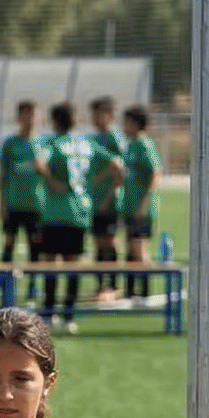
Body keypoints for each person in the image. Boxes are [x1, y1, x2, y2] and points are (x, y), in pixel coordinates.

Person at [34, 101, 96, 332]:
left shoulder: (53, 143)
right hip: (80, 209)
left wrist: (52, 182)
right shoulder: (85, 144)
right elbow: (116, 165)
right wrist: (93, 186)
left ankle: (50, 313)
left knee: (51, 263)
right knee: (73, 264)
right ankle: (70, 314)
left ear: (55, 121)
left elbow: (39, 163)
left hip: (55, 212)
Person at [0, 100, 42, 281]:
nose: (31, 119)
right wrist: (1, 202)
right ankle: (1, 282)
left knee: (35, 246)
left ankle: (33, 284)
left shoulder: (42, 144)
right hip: (14, 202)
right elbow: (3, 175)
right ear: (19, 118)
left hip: (36, 204)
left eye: (35, 115)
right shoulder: (10, 143)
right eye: (27, 115)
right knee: (9, 243)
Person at [119, 106, 162, 302]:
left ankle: (144, 292)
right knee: (130, 247)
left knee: (139, 248)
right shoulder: (131, 144)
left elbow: (155, 173)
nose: (123, 126)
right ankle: (130, 292)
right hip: (129, 205)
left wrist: (144, 203)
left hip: (140, 208)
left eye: (126, 121)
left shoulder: (145, 144)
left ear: (136, 123)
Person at [85, 96, 127, 289]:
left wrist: (109, 195)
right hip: (94, 200)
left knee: (110, 241)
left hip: (110, 201)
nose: (95, 117)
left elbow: (121, 170)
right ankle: (101, 284)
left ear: (109, 116)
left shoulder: (115, 138)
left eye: (100, 113)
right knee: (98, 243)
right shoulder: (93, 138)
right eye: (93, 113)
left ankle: (114, 283)